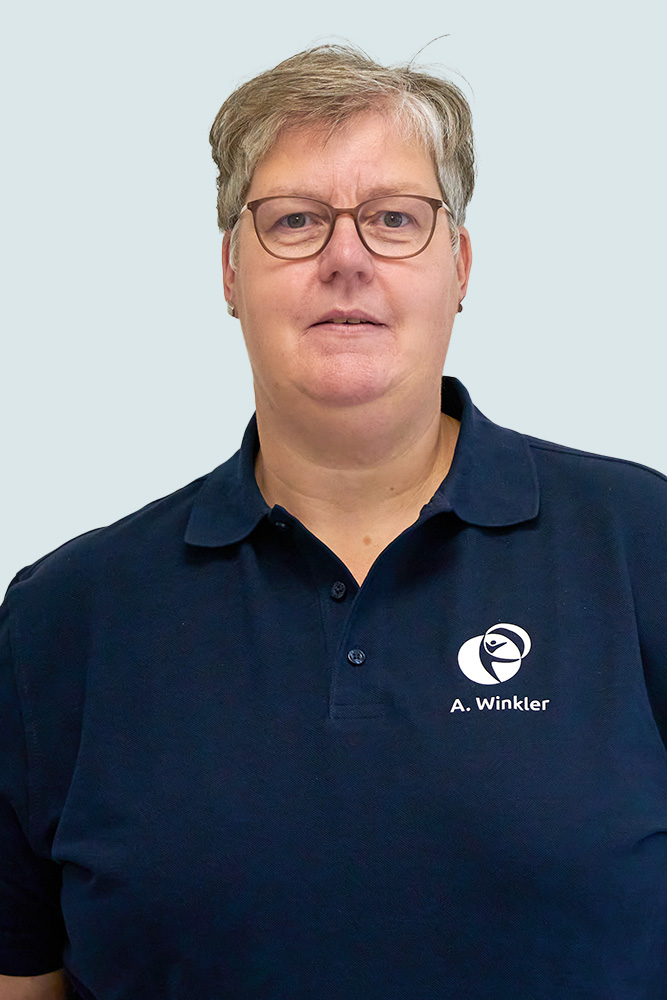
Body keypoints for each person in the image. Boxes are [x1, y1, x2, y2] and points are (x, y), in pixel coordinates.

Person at [1, 43, 666, 1000]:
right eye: (294, 220)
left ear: (458, 266)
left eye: (394, 218)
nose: (345, 258)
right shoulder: (63, 619)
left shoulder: (640, 550)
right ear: (230, 273)